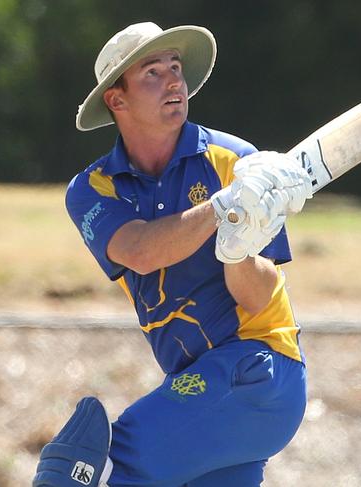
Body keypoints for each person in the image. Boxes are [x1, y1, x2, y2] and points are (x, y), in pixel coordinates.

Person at [33, 22, 313, 487]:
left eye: (176, 68)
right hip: (201, 384)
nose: (174, 81)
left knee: (86, 473)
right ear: (116, 100)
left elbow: (261, 298)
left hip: (258, 368)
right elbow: (140, 251)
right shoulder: (92, 189)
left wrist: (238, 249)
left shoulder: (237, 162)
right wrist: (223, 207)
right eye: (152, 72)